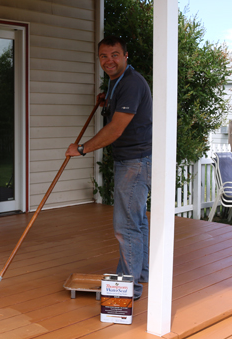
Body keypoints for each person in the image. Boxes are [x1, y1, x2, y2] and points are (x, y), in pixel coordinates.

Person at [66, 36, 152, 300]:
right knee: (135, 222)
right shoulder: (118, 83)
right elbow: (119, 110)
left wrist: (82, 149)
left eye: (115, 54)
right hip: (133, 159)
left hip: (134, 161)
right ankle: (142, 274)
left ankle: (128, 289)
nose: (109, 60)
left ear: (126, 56)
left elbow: (116, 128)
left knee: (125, 225)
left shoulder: (132, 84)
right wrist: (108, 99)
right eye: (103, 56)